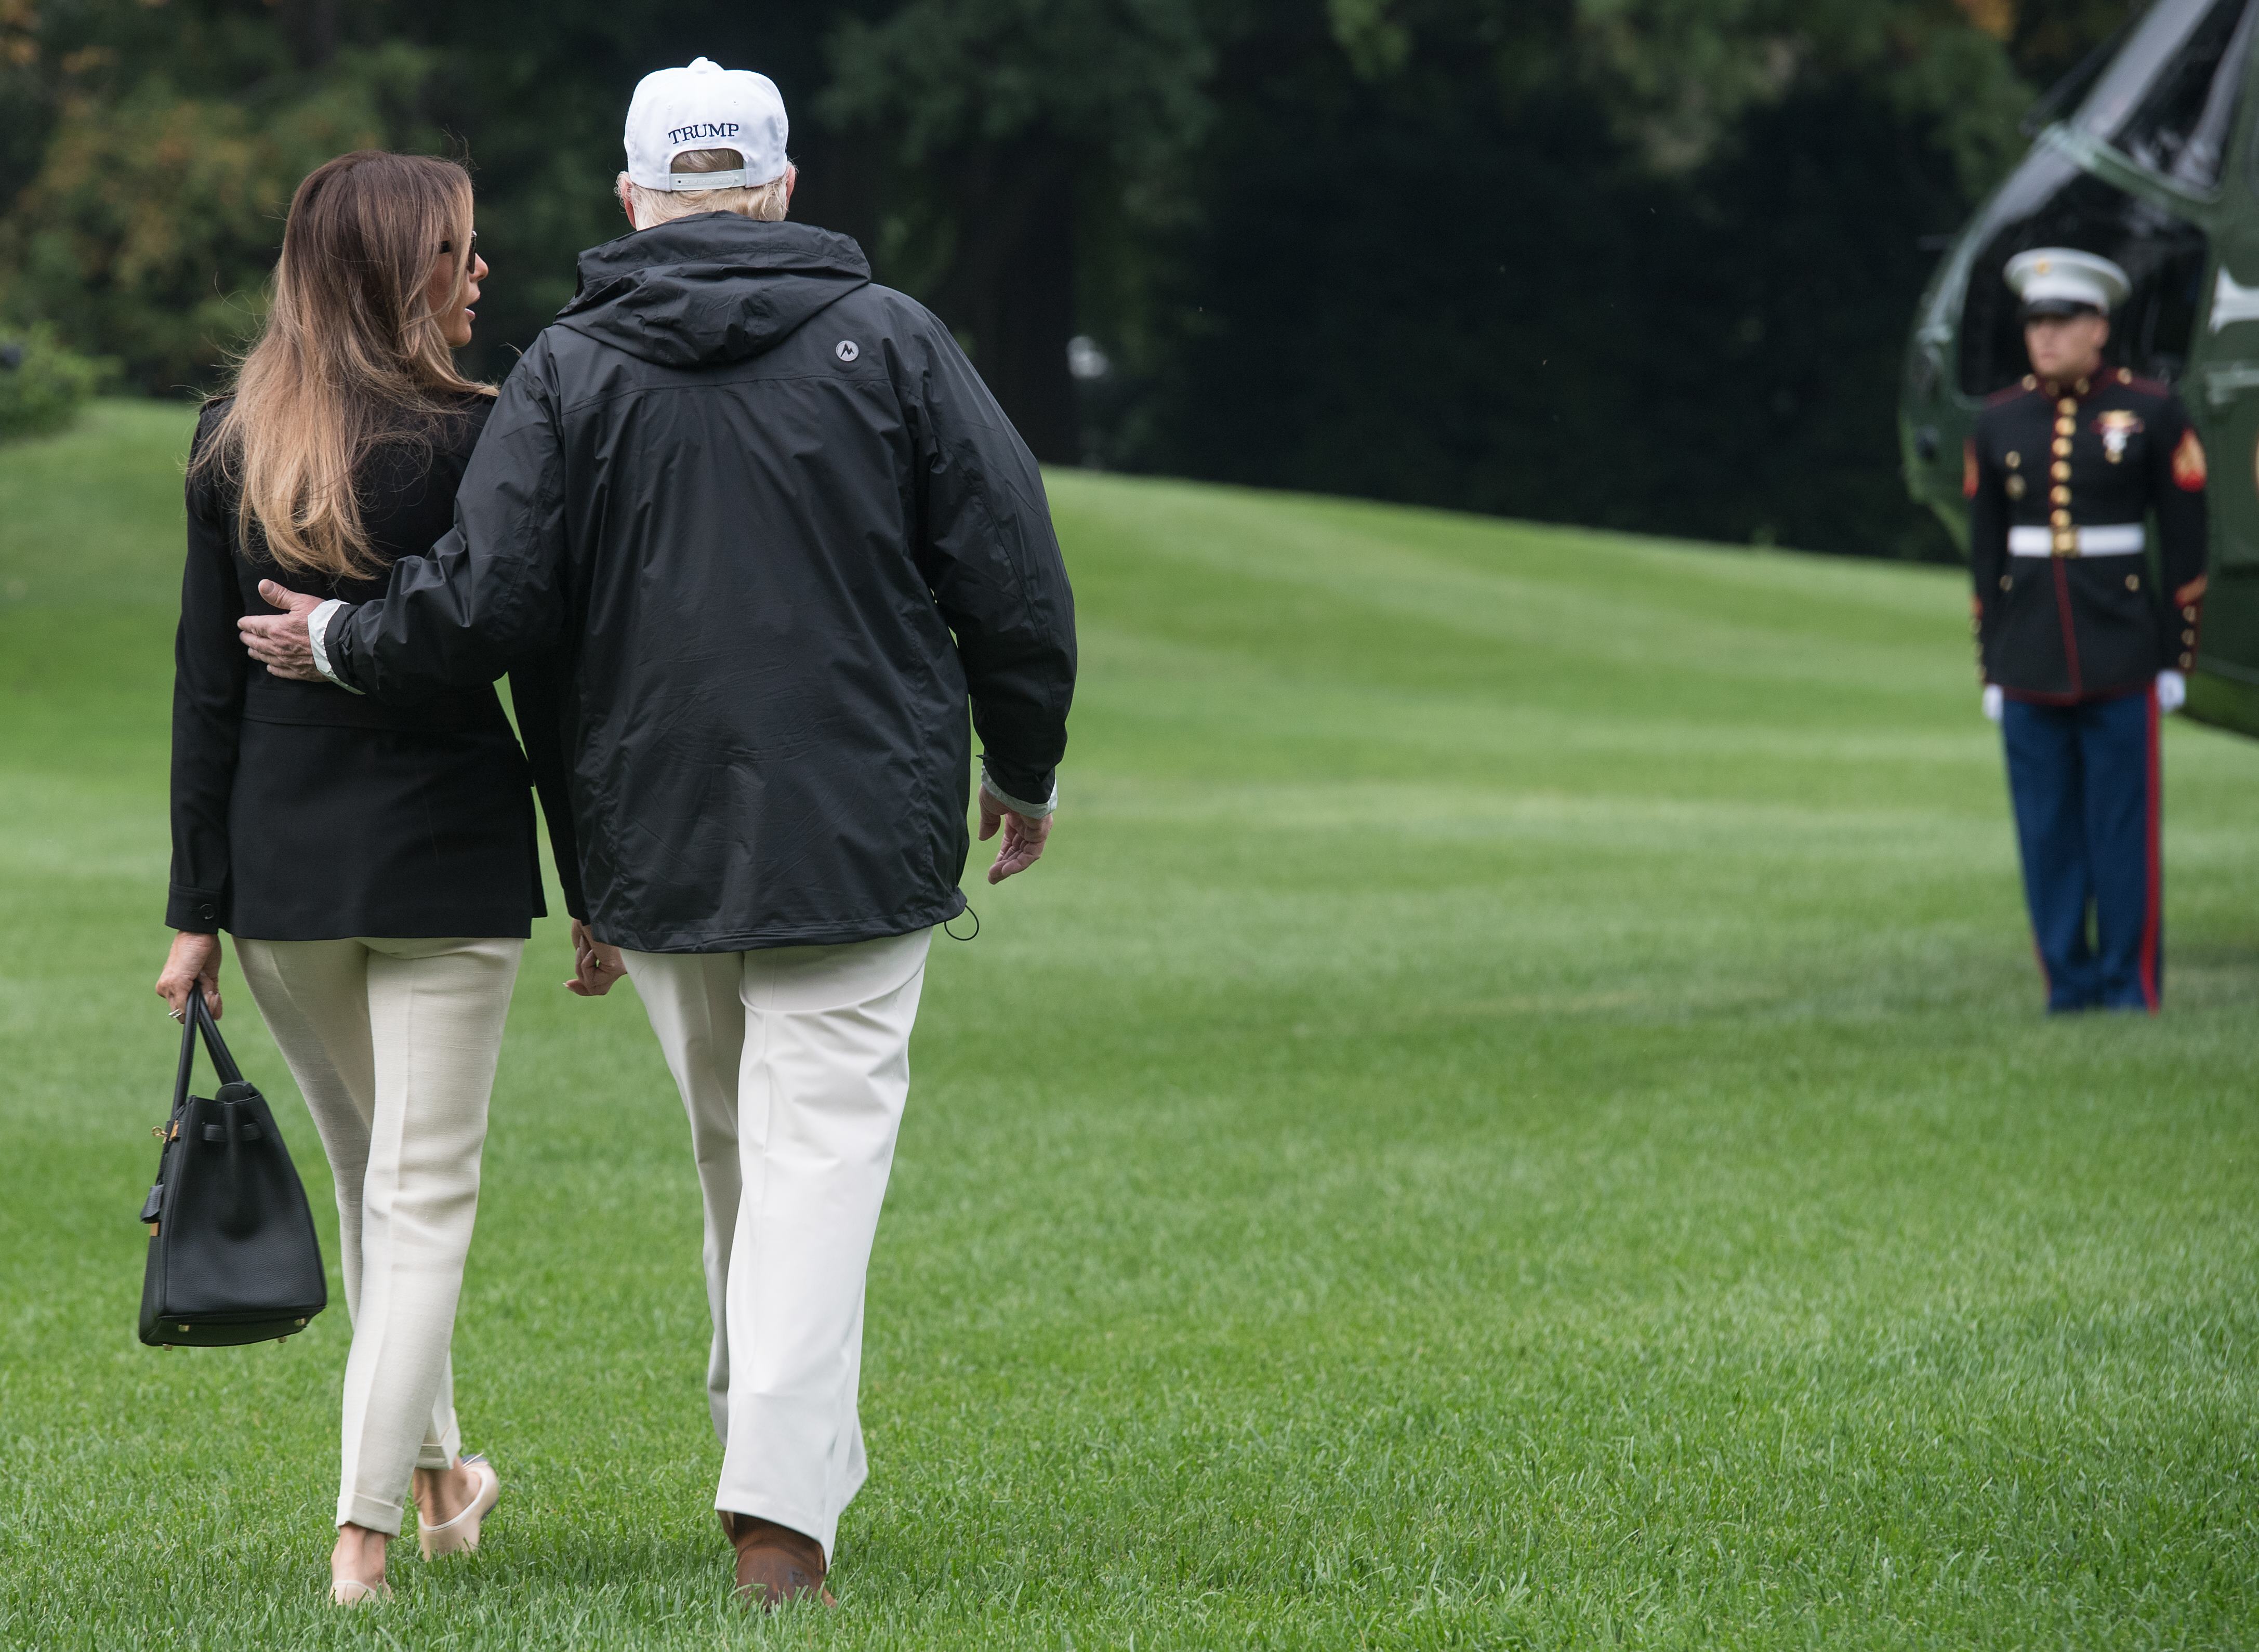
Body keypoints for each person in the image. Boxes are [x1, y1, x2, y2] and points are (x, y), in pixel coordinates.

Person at [239, 58, 1077, 1606]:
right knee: (813, 1157)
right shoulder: (887, 340)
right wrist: (1020, 772)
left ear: (634, 200)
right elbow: (1010, 573)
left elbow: (494, 608)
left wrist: (348, 642)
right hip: (861, 825)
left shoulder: (567, 369)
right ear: (776, 188)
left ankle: (767, 1468)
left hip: (662, 831)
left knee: (735, 1153)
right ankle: (774, 1506)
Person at [155, 150, 576, 1604]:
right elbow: (542, 669)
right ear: (404, 270)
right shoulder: (489, 434)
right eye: (460, 250)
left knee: (376, 1186)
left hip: (282, 876)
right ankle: (362, 1541)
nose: (479, 275)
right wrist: (595, 877)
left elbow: (203, 692)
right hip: (448, 861)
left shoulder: (231, 434)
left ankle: (443, 1473)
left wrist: (193, 908)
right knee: (418, 1194)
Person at [1965, 247, 2210, 1013]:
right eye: (2036, 322)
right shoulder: (1999, 419)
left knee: (2123, 833)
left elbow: (2187, 542)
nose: (2046, 336)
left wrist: (2176, 654)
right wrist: (1991, 666)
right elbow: (1986, 554)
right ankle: (2066, 987)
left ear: (2099, 327)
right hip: (2029, 654)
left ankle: (2129, 986)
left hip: (2122, 651)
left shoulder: (2151, 412)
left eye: (2063, 321)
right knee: (2046, 833)